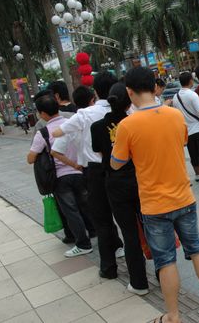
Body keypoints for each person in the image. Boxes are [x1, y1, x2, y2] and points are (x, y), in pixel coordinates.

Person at [110, 66, 199, 323]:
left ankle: (173, 315)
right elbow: (181, 141)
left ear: (129, 92)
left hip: (154, 204)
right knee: (198, 249)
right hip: (184, 197)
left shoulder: (128, 125)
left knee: (165, 260)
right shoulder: (174, 116)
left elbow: (116, 163)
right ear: (154, 86)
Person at [53, 72, 124, 279]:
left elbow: (58, 133)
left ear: (96, 91)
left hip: (94, 171)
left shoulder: (84, 115)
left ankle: (108, 268)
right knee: (129, 219)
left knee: (101, 219)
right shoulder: (125, 111)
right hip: (123, 169)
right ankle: (140, 269)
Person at [91, 82, 149, 296]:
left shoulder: (97, 127)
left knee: (129, 233)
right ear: (129, 101)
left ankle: (139, 283)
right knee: (152, 227)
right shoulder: (137, 122)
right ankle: (165, 274)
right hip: (141, 179)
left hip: (115, 183)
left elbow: (99, 153)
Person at [27, 95, 93, 257]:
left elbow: (31, 158)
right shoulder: (72, 124)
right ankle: (94, 231)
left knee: (71, 211)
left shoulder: (43, 133)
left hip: (61, 177)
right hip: (82, 171)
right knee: (87, 205)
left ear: (42, 114)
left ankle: (83, 244)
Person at [173, 72, 199, 185]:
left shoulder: (176, 97)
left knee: (193, 153)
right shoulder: (192, 95)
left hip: (187, 131)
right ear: (190, 81)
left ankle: (197, 175)